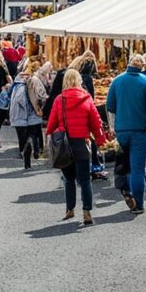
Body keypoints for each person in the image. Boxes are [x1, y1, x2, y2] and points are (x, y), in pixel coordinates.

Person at [46, 69, 106, 226]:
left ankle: (70, 209)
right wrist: (100, 140)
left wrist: (50, 135)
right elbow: (96, 122)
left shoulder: (59, 100)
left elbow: (51, 124)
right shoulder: (87, 98)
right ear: (79, 81)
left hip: (65, 144)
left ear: (65, 81)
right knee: (85, 180)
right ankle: (87, 211)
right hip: (82, 143)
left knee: (69, 179)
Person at [105, 54, 146, 214]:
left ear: (128, 64)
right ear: (142, 67)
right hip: (139, 132)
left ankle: (125, 190)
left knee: (122, 165)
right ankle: (139, 204)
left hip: (121, 132)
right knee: (138, 169)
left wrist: (115, 125)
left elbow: (110, 106)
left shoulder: (117, 81)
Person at [9, 60, 47, 169]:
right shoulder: (34, 80)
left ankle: (24, 153)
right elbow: (41, 95)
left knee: (23, 136)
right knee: (33, 134)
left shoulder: (17, 83)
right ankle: (35, 151)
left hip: (19, 114)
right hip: (31, 112)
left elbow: (14, 97)